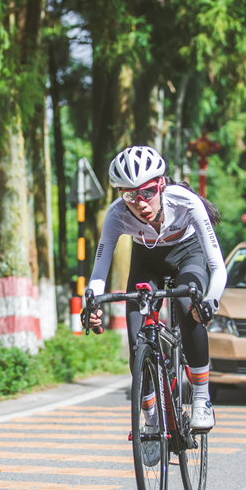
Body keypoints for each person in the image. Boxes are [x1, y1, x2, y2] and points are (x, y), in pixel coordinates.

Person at [86, 146, 227, 431]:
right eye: (130, 195)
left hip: (189, 255)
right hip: (147, 261)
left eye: (147, 192)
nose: (140, 203)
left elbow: (217, 267)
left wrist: (210, 300)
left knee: (188, 304)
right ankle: (151, 417)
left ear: (161, 184)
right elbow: (99, 269)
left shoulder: (185, 202)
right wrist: (91, 301)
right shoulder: (116, 215)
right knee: (137, 339)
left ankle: (201, 397)